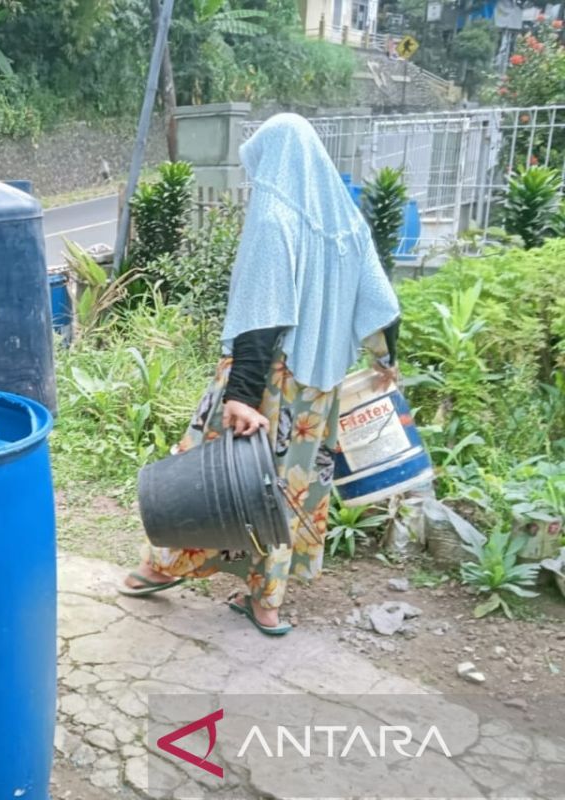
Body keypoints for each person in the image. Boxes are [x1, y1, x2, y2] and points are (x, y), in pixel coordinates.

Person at [118, 114, 402, 636]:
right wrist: (387, 360)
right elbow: (382, 309)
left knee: (211, 473)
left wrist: (241, 396)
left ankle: (162, 565)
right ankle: (267, 601)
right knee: (283, 493)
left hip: (268, 384)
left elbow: (261, 315)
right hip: (318, 394)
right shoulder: (347, 222)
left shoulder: (274, 218)